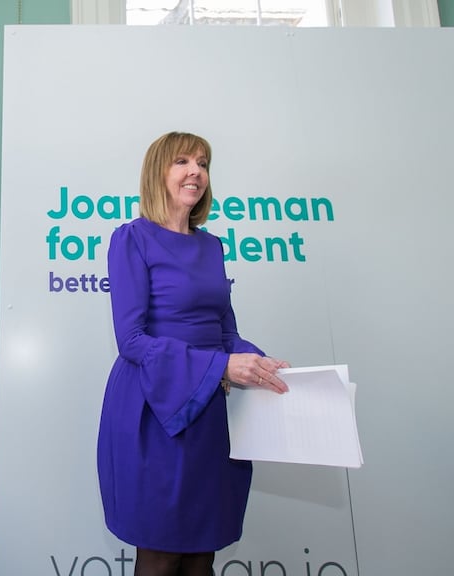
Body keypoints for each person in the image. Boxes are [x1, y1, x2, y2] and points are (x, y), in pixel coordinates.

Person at [96, 132, 290, 576]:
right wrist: (222, 365)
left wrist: (258, 362)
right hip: (153, 409)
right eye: (182, 161)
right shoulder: (131, 238)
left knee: (203, 550)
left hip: (207, 414)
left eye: (202, 163)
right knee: (161, 552)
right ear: (158, 172)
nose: (195, 172)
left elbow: (225, 332)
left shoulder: (211, 245)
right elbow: (132, 339)